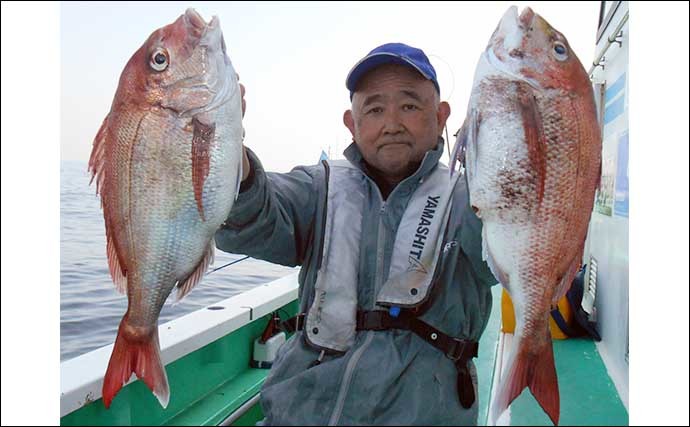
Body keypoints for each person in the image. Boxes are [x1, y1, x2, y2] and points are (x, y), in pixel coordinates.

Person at [215, 42, 497, 426]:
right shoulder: (318, 188)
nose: (392, 123)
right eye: (375, 109)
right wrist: (226, 151)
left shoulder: (473, 199)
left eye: (410, 106)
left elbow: (503, 254)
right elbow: (253, 217)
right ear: (352, 123)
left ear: (442, 115)